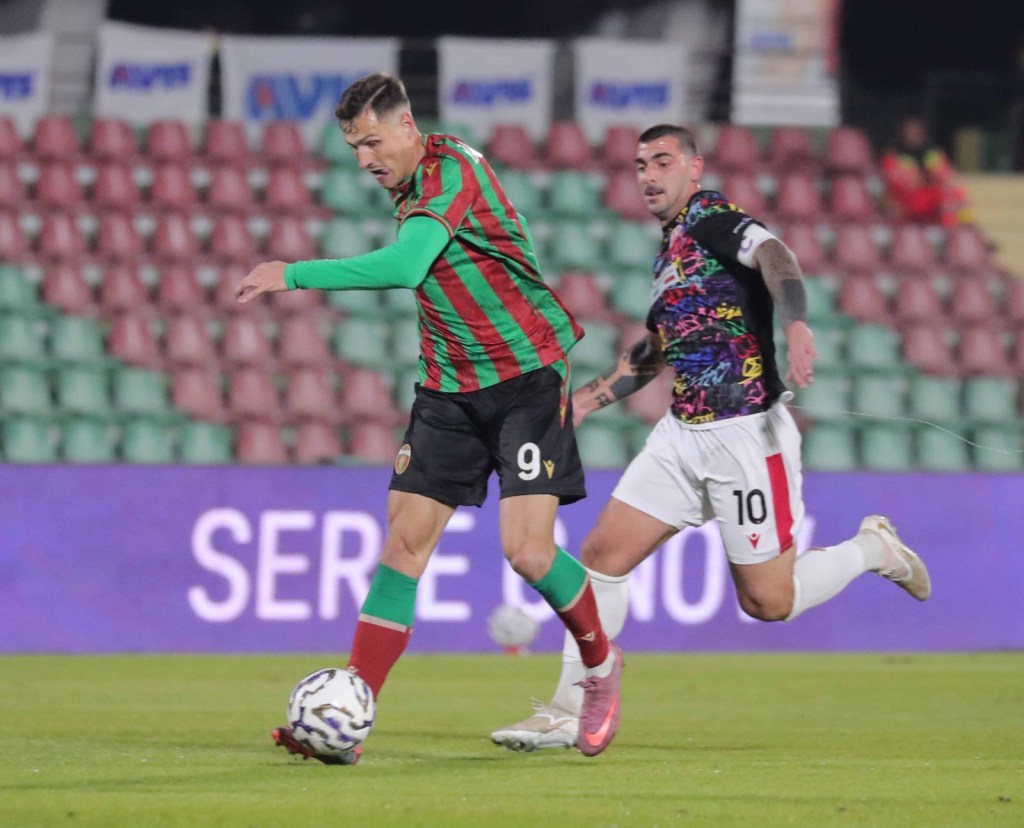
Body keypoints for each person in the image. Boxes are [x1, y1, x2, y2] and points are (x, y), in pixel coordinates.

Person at [491, 123, 931, 752]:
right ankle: (568, 707)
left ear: (694, 168)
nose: (648, 175)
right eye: (641, 164)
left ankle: (871, 548)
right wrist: (587, 400)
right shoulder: (669, 252)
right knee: (603, 556)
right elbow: (657, 348)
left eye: (663, 161)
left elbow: (775, 253)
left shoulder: (712, 220)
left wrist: (798, 324)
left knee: (768, 603)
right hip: (682, 434)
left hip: (746, 433)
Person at [236, 72, 622, 762]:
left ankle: (599, 670)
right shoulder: (409, 185)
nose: (364, 160)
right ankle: (346, 717)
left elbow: (410, 265)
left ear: (408, 126)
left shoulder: (451, 173)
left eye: (373, 142)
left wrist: (292, 273)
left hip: (527, 376)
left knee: (528, 552)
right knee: (403, 546)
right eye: (354, 147)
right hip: (448, 388)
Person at [881, 117, 972, 226]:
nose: (912, 136)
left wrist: (927, 178)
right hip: (906, 198)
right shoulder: (892, 155)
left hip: (929, 195)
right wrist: (924, 178)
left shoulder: (932, 153)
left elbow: (945, 175)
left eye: (915, 132)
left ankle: (955, 232)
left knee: (956, 193)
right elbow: (899, 180)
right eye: (909, 133)